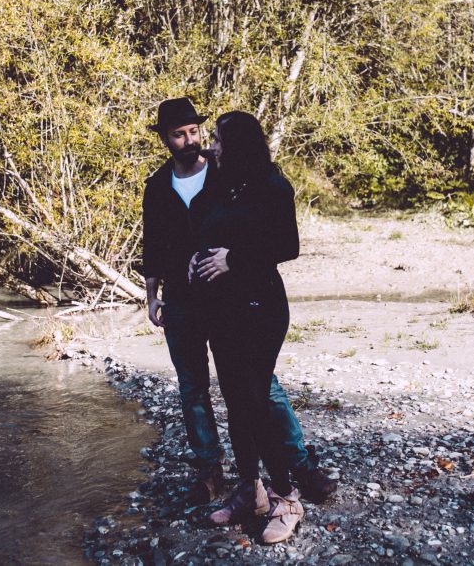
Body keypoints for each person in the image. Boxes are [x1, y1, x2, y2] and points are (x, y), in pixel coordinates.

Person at [141, 98, 334, 508]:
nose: (191, 141)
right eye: (180, 134)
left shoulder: (227, 174)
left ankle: (298, 466)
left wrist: (236, 260)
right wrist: (152, 295)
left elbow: (268, 227)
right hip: (181, 300)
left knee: (259, 387)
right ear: (165, 139)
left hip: (230, 300)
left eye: (196, 132)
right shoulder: (157, 187)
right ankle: (213, 472)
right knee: (193, 388)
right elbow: (153, 244)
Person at [188, 110, 305, 544]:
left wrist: (232, 259)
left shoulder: (273, 187)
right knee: (236, 404)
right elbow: (202, 220)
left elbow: (287, 246)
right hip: (223, 310)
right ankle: (249, 492)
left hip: (261, 308)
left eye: (216, 139)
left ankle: (287, 498)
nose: (210, 147)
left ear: (236, 143)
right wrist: (196, 255)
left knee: (254, 402)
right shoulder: (222, 185)